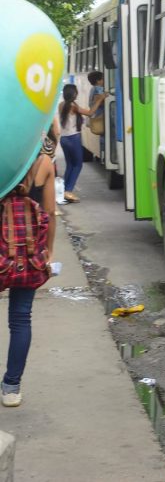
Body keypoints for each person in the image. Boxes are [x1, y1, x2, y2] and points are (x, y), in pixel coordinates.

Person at [0, 153, 56, 407]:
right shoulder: (43, 162)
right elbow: (51, 212)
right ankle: (11, 387)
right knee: (21, 318)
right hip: (29, 256)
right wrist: (49, 251)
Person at [57, 84, 101, 203]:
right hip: (73, 138)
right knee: (78, 165)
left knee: (70, 165)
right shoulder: (73, 106)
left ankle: (64, 191)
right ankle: (68, 191)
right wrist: (100, 100)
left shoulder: (62, 105)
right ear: (74, 93)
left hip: (64, 139)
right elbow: (90, 113)